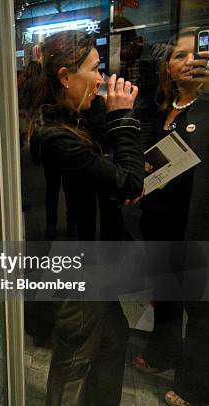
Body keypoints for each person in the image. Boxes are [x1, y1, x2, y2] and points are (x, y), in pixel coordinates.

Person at [27, 30, 144, 405]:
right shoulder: (55, 136)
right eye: (95, 69)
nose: (102, 78)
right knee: (75, 362)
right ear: (65, 77)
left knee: (112, 340)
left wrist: (100, 105)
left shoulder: (67, 122)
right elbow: (127, 183)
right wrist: (123, 116)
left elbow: (100, 147)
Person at [132, 27, 209, 406]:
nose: (190, 61)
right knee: (165, 296)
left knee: (200, 310)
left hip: (198, 226)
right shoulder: (161, 109)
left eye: (198, 53)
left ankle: (195, 385)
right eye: (180, 55)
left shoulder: (207, 108)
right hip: (159, 222)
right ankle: (163, 354)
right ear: (167, 67)